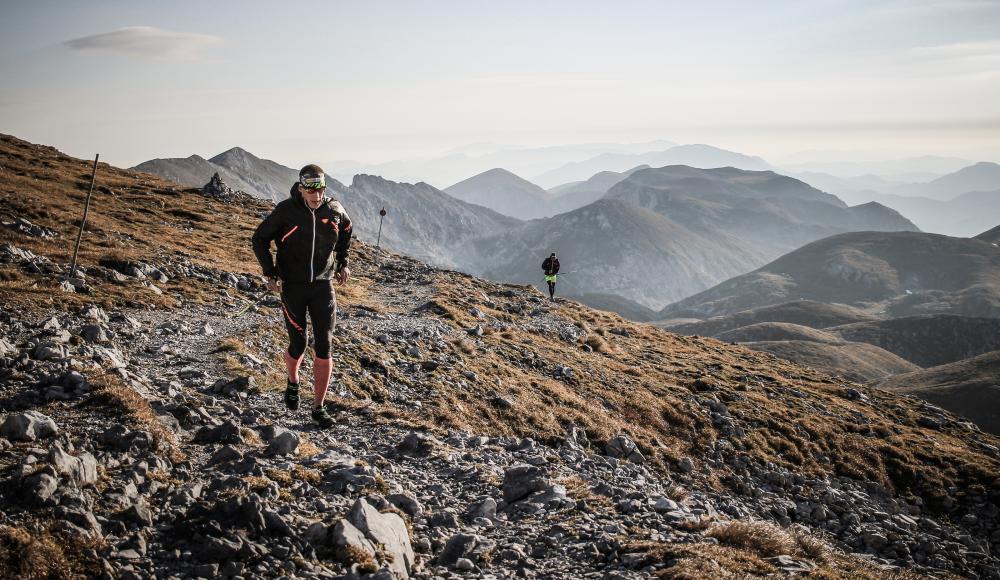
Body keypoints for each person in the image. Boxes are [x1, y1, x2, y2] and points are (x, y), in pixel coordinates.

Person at [252, 164, 353, 428]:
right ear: (301, 187)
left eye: (320, 188)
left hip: (323, 286)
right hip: (293, 287)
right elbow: (259, 239)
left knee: (324, 345)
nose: (316, 194)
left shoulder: (335, 210)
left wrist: (343, 263)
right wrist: (270, 274)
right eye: (310, 188)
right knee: (298, 343)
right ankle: (293, 382)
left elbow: (346, 233)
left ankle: (318, 407)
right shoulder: (286, 211)